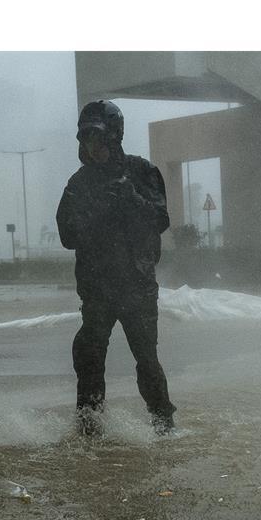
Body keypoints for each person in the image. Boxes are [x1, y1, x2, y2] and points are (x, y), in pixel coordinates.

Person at [57, 99, 176, 437]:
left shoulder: (141, 172)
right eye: (85, 140)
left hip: (137, 286)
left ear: (113, 136)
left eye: (96, 138)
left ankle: (163, 424)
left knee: (147, 360)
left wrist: (131, 199)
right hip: (97, 289)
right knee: (89, 356)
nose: (91, 148)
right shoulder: (79, 184)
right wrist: (96, 210)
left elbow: (160, 220)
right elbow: (67, 234)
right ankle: (90, 427)